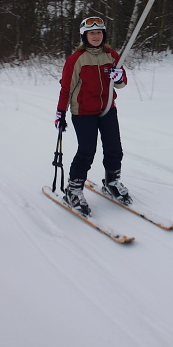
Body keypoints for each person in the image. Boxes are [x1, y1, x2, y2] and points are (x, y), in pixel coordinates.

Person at [54, 16, 131, 216]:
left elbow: (122, 84)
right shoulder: (76, 59)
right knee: (87, 150)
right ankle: (73, 190)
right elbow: (66, 88)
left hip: (107, 109)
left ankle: (112, 181)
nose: (96, 36)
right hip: (83, 112)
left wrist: (119, 76)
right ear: (85, 36)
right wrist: (61, 113)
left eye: (98, 33)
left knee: (114, 148)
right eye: (91, 33)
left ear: (103, 35)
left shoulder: (112, 55)